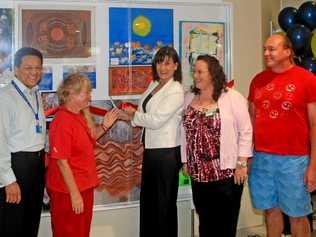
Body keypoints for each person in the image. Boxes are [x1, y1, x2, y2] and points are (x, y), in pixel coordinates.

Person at [248, 34, 316, 237]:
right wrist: (248, 156)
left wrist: (313, 166)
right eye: (265, 49)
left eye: (272, 49)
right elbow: (250, 122)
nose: (266, 53)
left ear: (288, 51)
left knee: (297, 214)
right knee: (270, 210)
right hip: (262, 159)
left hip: (294, 160)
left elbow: (314, 124)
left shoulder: (307, 80)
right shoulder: (257, 81)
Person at [180, 55, 253, 237]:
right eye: (194, 72)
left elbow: (246, 130)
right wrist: (185, 161)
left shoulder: (232, 97)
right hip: (198, 174)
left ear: (212, 73)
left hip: (226, 174)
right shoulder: (189, 97)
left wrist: (242, 164)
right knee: (205, 223)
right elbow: (183, 132)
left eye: (200, 72)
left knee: (225, 225)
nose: (195, 76)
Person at [119, 46, 184, 237]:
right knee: (149, 202)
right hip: (152, 150)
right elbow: (144, 113)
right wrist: (128, 116)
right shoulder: (154, 84)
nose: (162, 67)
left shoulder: (176, 89)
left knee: (164, 205)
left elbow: (156, 121)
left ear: (175, 66)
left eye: (167, 63)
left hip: (167, 153)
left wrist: (134, 115)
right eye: (159, 62)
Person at [46, 73, 118, 237]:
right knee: (69, 232)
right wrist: (75, 194)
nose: (90, 96)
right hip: (68, 191)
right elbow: (62, 162)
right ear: (71, 94)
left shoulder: (77, 116)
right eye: (87, 93)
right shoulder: (62, 121)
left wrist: (105, 126)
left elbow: (89, 139)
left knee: (81, 232)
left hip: (83, 186)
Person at [0, 47, 46, 237]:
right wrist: (9, 180)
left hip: (36, 164)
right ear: (16, 69)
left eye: (38, 68)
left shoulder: (35, 92)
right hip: (16, 167)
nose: (34, 72)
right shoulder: (5, 97)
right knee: (13, 225)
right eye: (28, 68)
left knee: (31, 221)